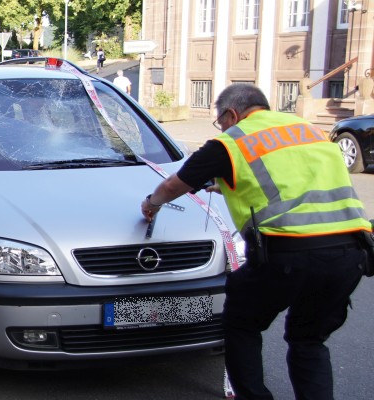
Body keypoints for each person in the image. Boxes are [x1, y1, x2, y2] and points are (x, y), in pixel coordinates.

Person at [140, 83, 369, 400]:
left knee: (241, 324)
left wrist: (151, 204)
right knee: (308, 340)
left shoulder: (231, 142)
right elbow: (293, 180)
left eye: (220, 121)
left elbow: (172, 185)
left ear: (231, 114)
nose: (221, 128)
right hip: (350, 254)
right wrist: (232, 186)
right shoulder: (311, 131)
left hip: (288, 255)